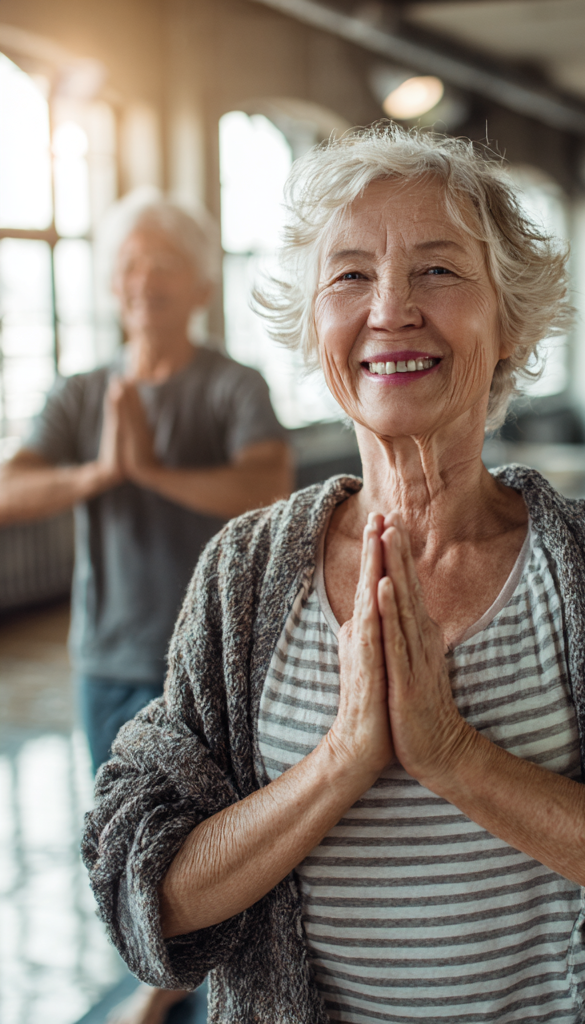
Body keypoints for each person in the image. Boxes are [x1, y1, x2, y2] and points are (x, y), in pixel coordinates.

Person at [82, 127, 585, 1024]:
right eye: (349, 275)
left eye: (439, 271)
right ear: (313, 325)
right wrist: (341, 762)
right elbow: (145, 898)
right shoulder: (245, 573)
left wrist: (454, 756)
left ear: (512, 323)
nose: (390, 309)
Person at [0, 190, 293, 1024]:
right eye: (130, 263)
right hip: (111, 658)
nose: (144, 279)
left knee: (217, 849)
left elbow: (264, 483)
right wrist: (95, 473)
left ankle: (180, 996)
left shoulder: (231, 384)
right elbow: (9, 487)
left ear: (201, 285)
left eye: (165, 262)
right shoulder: (81, 394)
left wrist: (147, 470)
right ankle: (161, 983)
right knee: (135, 850)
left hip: (215, 668)